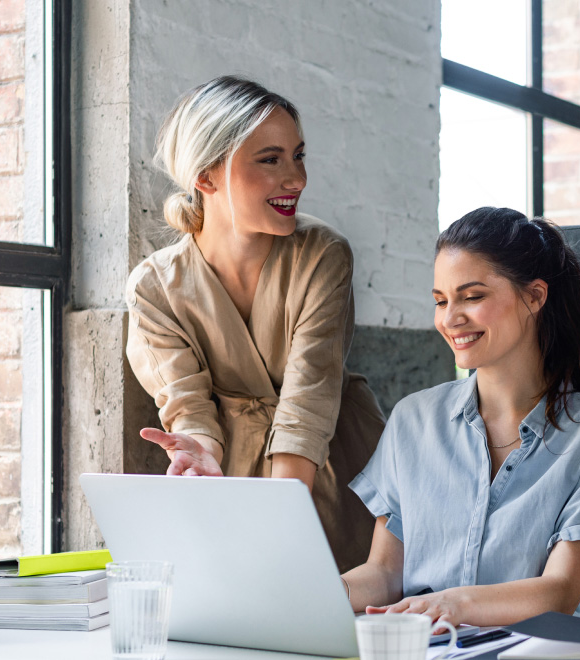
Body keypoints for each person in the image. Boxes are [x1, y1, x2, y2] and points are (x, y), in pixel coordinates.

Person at [125, 76, 385, 571]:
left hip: (332, 462)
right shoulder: (155, 287)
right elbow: (188, 405)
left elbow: (309, 402)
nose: (297, 179)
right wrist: (200, 459)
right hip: (234, 481)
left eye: (299, 156)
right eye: (271, 160)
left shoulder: (322, 254)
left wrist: (279, 521)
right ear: (206, 176)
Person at [339, 207, 580, 625]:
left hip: (547, 651)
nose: (450, 319)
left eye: (473, 296)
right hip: (437, 648)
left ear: (535, 296)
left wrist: (453, 604)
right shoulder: (414, 420)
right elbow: (386, 573)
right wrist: (325, 593)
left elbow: (560, 592)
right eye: (441, 301)